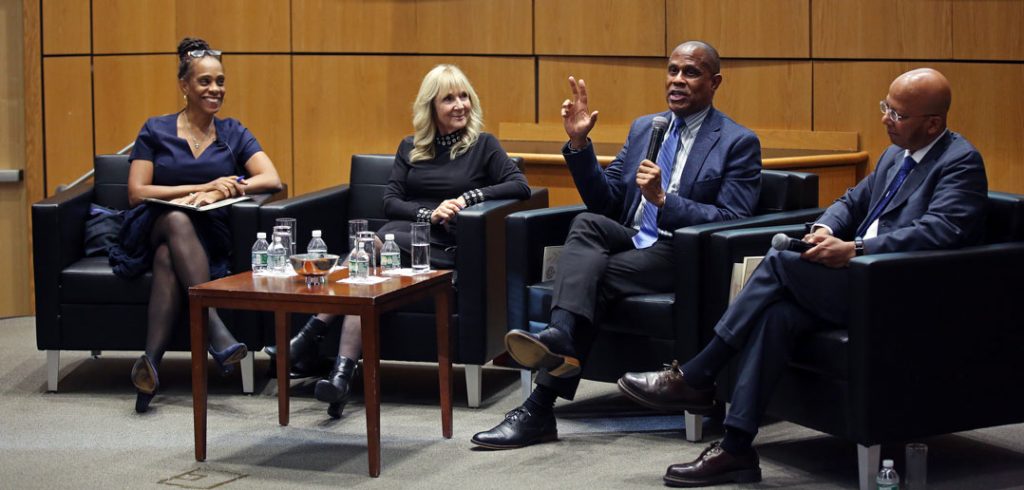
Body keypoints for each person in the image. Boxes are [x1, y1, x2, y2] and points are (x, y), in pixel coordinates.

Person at [617, 68, 988, 487]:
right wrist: (828, 229)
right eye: (886, 107)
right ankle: (736, 448)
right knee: (778, 317)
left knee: (779, 262)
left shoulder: (960, 162)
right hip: (858, 282)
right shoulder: (895, 154)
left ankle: (698, 373)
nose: (886, 119)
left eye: (898, 114)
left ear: (933, 123)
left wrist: (857, 250)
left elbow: (941, 232)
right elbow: (850, 201)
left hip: (898, 291)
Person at [471, 40, 763, 449]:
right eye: (673, 70)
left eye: (690, 73)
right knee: (588, 222)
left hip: (680, 252)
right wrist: (578, 146)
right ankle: (560, 337)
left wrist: (666, 201)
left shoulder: (737, 142)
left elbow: (735, 221)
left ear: (714, 82)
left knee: (594, 278)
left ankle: (540, 404)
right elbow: (606, 202)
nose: (677, 80)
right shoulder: (647, 127)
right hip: (632, 237)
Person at [282, 64, 531, 419]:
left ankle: (311, 334)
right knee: (364, 275)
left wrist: (466, 199)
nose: (459, 105)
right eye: (448, 99)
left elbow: (518, 185)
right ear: (431, 107)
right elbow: (391, 200)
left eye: (464, 96)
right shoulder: (411, 147)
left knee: (370, 248)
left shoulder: (483, 146)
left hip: (446, 246)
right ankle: (340, 377)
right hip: (407, 237)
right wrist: (427, 215)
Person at [110, 37, 283, 413]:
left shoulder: (233, 132)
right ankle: (215, 326)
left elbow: (271, 178)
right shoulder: (155, 130)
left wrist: (226, 190)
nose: (215, 89)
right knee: (174, 218)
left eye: (220, 81)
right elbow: (137, 192)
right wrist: (202, 186)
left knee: (167, 261)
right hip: (151, 221)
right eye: (205, 82)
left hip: (205, 234)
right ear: (184, 86)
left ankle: (149, 368)